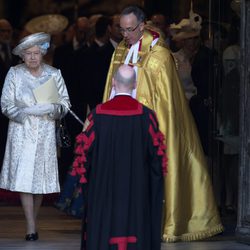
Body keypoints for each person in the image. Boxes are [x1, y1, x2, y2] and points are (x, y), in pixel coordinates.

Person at [103, 5, 224, 242]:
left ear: (142, 26)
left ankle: (159, 222)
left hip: (147, 126)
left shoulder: (160, 55)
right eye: (121, 29)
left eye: (129, 29)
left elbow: (167, 102)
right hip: (121, 125)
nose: (124, 34)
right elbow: (111, 87)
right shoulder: (119, 51)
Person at [59, 64, 166, 250]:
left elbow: (83, 159)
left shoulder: (96, 116)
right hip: (137, 193)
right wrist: (153, 189)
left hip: (103, 192)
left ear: (114, 83)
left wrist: (88, 189)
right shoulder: (147, 117)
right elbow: (157, 160)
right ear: (135, 84)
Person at [0, 32, 70, 241]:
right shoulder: (14, 73)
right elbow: (5, 104)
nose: (32, 57)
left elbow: (65, 104)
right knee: (24, 180)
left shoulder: (54, 74)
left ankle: (33, 220)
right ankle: (31, 226)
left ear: (43, 54)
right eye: (28, 54)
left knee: (39, 182)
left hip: (45, 133)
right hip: (21, 132)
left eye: (36, 53)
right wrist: (25, 113)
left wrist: (52, 108)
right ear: (22, 56)